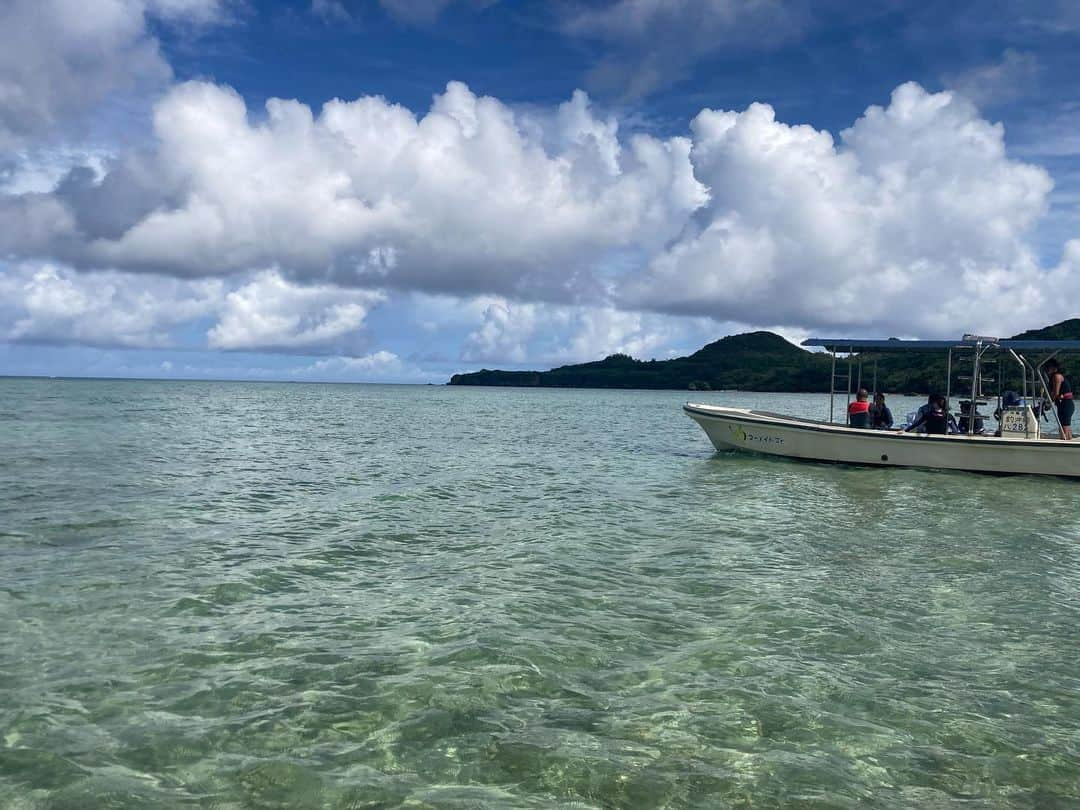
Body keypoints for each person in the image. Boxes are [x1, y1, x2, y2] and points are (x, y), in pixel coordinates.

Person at [1046, 359, 1074, 440]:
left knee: (1064, 427)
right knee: (1064, 426)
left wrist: (1048, 404)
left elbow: (1055, 393)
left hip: (1066, 404)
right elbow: (1052, 393)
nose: (1047, 369)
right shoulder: (1051, 378)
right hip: (1061, 404)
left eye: (1049, 367)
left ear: (1055, 368)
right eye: (1047, 367)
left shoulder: (1057, 376)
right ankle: (1068, 441)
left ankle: (1065, 444)